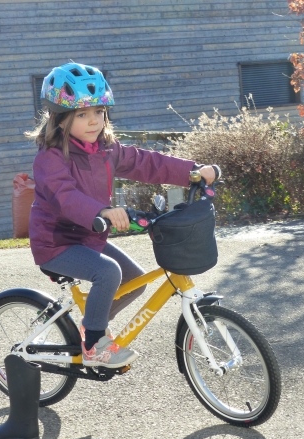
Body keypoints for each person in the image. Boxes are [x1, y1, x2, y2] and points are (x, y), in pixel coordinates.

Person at [26, 62, 216, 369]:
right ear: (61, 120)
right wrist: (100, 211)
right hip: (56, 242)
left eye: (99, 112)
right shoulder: (50, 159)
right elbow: (66, 197)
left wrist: (192, 172)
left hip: (89, 236)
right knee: (109, 272)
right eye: (82, 114)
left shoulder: (106, 149)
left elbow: (149, 163)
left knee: (136, 279)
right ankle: (94, 346)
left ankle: (93, 326)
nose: (94, 121)